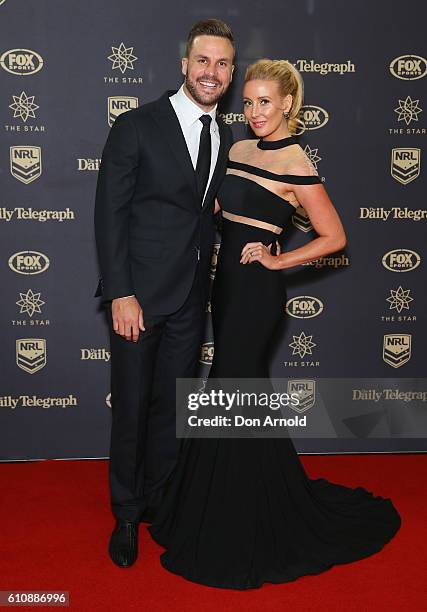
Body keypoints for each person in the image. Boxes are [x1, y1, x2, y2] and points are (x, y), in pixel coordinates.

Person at [148, 59, 401, 589]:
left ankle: (241, 518)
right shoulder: (237, 150)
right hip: (225, 288)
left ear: (288, 103)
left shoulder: (295, 159)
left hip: (257, 294)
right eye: (250, 102)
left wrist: (278, 259)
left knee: (236, 389)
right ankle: (220, 504)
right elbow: (221, 210)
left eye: (267, 102)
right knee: (233, 393)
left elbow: (334, 237)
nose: (256, 111)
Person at [94, 19, 235, 568]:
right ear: (184, 64)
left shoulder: (224, 134)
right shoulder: (136, 125)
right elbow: (110, 215)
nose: (212, 73)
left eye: (223, 64)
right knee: (130, 407)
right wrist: (121, 293)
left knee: (169, 409)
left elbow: (204, 210)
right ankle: (126, 515)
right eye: (203, 61)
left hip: (190, 297)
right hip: (140, 298)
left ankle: (159, 501)